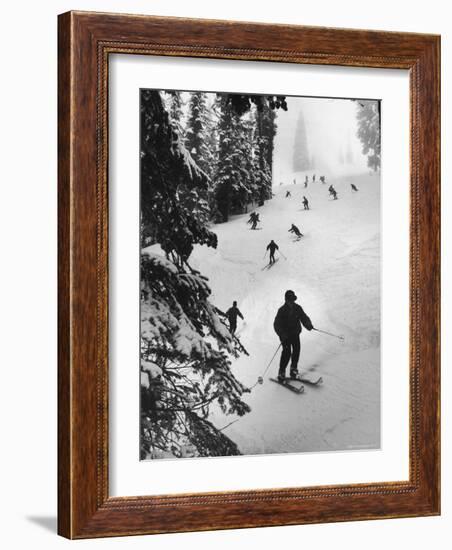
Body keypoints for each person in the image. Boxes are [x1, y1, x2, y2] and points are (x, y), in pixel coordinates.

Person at [273, 290, 313, 380]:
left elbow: (304, 317)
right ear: (286, 300)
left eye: (292, 300)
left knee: (296, 350)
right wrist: (282, 334)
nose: (291, 302)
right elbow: (276, 324)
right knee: (287, 352)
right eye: (289, 300)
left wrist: (308, 325)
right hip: (285, 336)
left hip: (295, 333)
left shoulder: (298, 308)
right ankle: (282, 371)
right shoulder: (282, 310)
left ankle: (293, 369)